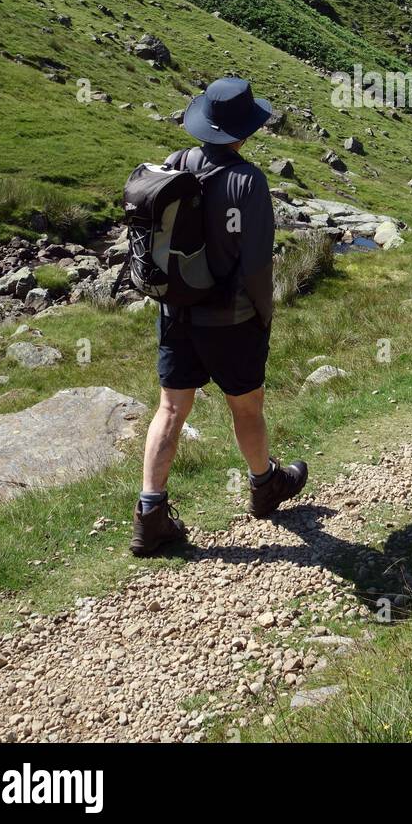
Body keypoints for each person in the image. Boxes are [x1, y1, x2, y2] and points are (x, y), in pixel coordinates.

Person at [130, 76, 308, 556]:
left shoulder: (175, 164)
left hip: (176, 311)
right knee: (245, 405)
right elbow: (256, 263)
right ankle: (264, 485)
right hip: (231, 319)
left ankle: (151, 516)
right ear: (244, 130)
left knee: (170, 408)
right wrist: (264, 314)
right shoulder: (248, 181)